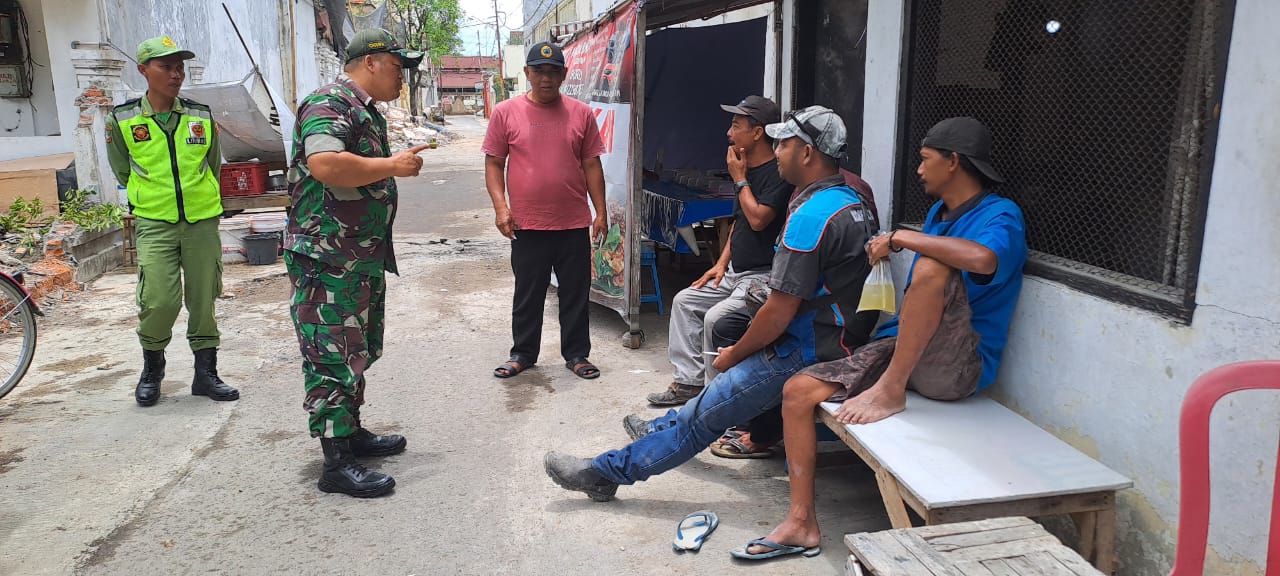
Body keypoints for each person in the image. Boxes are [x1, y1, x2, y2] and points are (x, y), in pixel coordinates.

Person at [543, 106, 879, 510]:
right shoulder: (851, 197)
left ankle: (605, 473)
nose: (778, 152)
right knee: (711, 398)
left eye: (784, 144)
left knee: (707, 414)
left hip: (812, 347)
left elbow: (778, 312)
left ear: (807, 153)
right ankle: (658, 428)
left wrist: (736, 354)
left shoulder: (812, 215)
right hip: (834, 335)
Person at [751, 116, 1028, 558]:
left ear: (953, 162)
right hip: (908, 349)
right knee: (798, 391)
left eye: (924, 159)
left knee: (936, 267)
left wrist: (902, 238)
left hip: (957, 367)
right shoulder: (940, 214)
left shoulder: (1000, 214)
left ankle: (890, 390)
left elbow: (981, 258)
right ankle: (801, 522)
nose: (917, 169)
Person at [285, 28, 429, 498]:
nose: (403, 78)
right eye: (397, 66)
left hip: (355, 255)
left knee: (354, 349)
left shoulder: (361, 110)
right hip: (327, 258)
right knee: (330, 354)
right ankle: (336, 462)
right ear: (371, 62)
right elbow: (326, 164)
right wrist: (392, 167)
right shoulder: (330, 102)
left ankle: (350, 431)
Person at [106, 36, 239, 407]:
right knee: (159, 299)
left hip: (201, 220)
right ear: (143, 70)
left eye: (180, 67)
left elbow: (212, 164)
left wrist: (205, 198)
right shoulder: (123, 119)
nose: (176, 74)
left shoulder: (200, 114)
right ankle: (152, 369)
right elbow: (121, 169)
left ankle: (206, 374)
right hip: (154, 221)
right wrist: (146, 197)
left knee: (203, 297)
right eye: (166, 66)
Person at [644, 95, 791, 407]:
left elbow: (759, 219)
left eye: (736, 126)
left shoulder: (778, 174)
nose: (729, 132)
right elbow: (740, 223)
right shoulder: (746, 168)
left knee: (715, 319)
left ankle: (713, 404)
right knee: (684, 301)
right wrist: (721, 263)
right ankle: (688, 383)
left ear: (757, 133)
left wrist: (739, 180)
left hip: (762, 277)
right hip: (736, 272)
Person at [484, 41, 608, 381]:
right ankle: (523, 353)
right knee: (528, 293)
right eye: (539, 71)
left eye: (554, 72)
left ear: (564, 75)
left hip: (572, 223)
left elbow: (591, 164)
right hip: (527, 224)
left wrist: (601, 212)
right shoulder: (506, 113)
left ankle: (577, 354)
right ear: (527, 73)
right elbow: (494, 164)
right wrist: (500, 207)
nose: (546, 78)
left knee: (575, 294)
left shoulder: (581, 113)